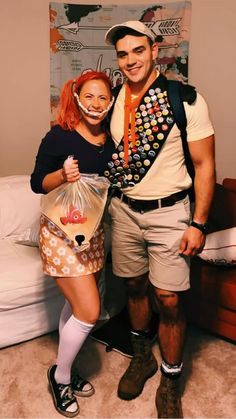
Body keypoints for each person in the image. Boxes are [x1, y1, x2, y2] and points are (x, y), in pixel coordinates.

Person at [104, 21, 215, 418]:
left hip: (170, 214)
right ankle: (141, 357)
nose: (130, 60)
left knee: (167, 299)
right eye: (122, 54)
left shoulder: (184, 100)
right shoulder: (115, 100)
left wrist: (198, 223)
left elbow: (204, 166)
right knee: (133, 287)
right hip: (125, 210)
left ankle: (170, 379)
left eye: (138, 50)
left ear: (153, 50)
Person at [31, 70, 115, 418]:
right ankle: (60, 376)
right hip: (60, 236)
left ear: (111, 103)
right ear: (77, 98)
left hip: (91, 234)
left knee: (76, 307)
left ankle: (63, 367)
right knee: (90, 311)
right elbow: (38, 183)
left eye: (103, 98)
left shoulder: (110, 140)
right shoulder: (59, 137)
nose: (96, 104)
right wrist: (62, 176)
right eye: (89, 96)